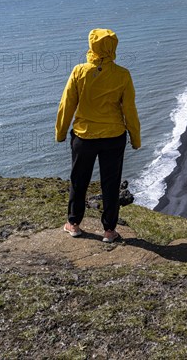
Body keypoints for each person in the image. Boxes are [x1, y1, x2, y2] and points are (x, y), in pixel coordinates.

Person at [55, 28, 141, 243]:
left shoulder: (79, 71)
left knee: (79, 180)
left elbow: (67, 105)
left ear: (91, 45)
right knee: (111, 184)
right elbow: (129, 109)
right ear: (114, 47)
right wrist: (135, 137)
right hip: (114, 136)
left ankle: (74, 224)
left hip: (84, 137)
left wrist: (61, 132)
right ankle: (109, 231)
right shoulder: (122, 74)